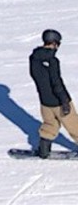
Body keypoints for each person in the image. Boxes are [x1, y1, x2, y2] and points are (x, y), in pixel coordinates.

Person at [29, 28, 78, 156]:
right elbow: (56, 83)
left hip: (44, 102)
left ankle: (44, 150)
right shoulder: (52, 61)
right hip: (59, 101)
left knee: (50, 124)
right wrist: (65, 102)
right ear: (55, 43)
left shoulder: (33, 58)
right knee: (74, 126)